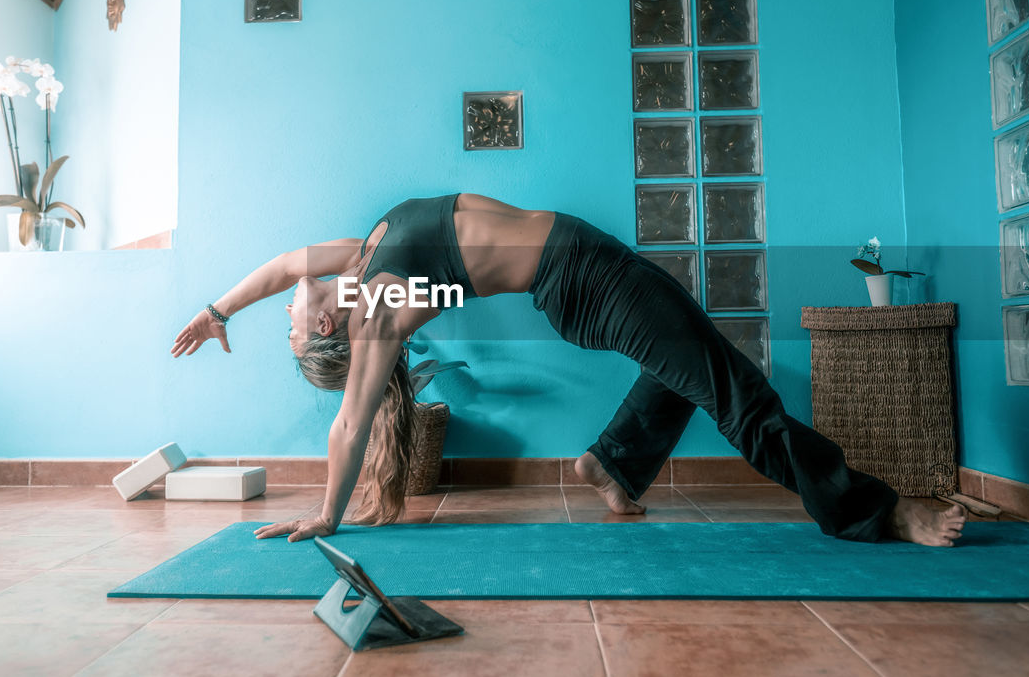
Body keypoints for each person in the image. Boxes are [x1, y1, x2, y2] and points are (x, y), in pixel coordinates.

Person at [171, 193, 966, 547]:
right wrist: (329, 513)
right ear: (326, 326)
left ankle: (613, 460)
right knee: (733, 388)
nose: (286, 306)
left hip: (583, 267)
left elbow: (279, 268)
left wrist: (218, 310)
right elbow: (353, 419)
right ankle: (871, 514)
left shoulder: (363, 255)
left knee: (697, 361)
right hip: (583, 279)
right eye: (288, 324)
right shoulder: (376, 303)